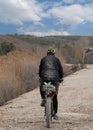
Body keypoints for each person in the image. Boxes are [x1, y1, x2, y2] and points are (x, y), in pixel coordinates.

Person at [39, 48, 63, 120]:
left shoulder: (43, 59)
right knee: (55, 95)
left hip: (44, 77)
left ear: (47, 53)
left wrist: (41, 77)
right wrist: (61, 78)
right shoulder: (57, 59)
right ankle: (55, 113)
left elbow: (40, 70)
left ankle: (43, 98)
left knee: (42, 87)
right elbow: (60, 70)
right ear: (54, 53)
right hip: (55, 78)